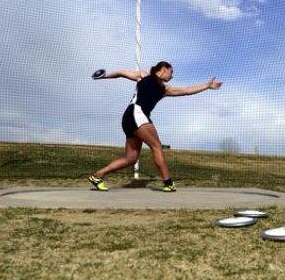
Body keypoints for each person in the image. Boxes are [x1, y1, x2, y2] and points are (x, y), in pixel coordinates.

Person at [88, 61, 222, 192]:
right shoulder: (143, 75)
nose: (172, 75)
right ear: (163, 68)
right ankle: (168, 182)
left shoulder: (165, 89)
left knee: (131, 158)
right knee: (156, 146)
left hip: (130, 118)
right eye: (171, 72)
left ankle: (97, 176)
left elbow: (186, 90)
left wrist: (206, 86)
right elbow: (121, 72)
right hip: (136, 114)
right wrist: (106, 75)